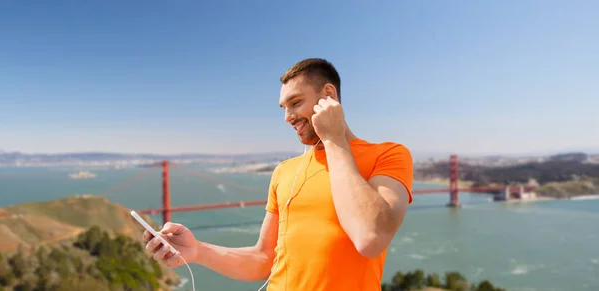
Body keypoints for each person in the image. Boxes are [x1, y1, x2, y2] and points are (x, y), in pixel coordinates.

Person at [143, 58, 414, 290]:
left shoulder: (389, 155)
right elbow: (263, 259)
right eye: (283, 108)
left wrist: (333, 140)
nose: (287, 117)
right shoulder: (285, 172)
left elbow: (371, 238)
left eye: (295, 103)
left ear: (328, 96)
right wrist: (198, 251)